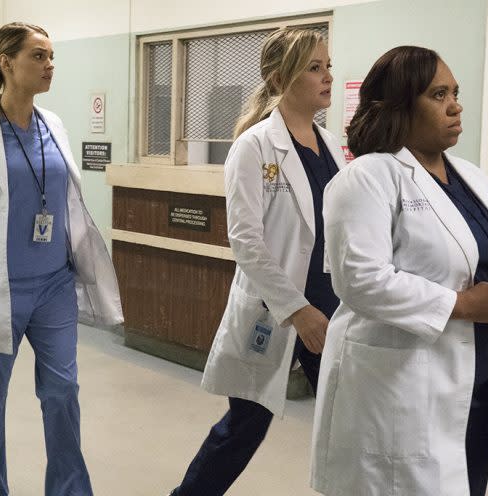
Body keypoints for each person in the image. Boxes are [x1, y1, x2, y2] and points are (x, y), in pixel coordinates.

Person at [310, 46, 488, 496]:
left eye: (455, 92)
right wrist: (461, 304)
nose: (455, 105)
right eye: (438, 94)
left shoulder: (471, 176)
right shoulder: (368, 177)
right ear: (401, 106)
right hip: (401, 382)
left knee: (466, 479)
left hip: (479, 372)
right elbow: (359, 279)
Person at [0, 22, 123, 496]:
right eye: (38, 56)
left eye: (52, 56)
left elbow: (66, 199)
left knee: (62, 394)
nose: (49, 65)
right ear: (6, 63)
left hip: (54, 282)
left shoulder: (54, 125)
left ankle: (71, 490)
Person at [169, 27, 345, 496]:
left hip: (332, 309)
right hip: (280, 309)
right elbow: (245, 240)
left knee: (350, 423)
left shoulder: (330, 146)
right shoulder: (253, 146)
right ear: (277, 76)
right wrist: (297, 309)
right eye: (314, 67)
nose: (328, 76)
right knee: (244, 429)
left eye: (327, 65)